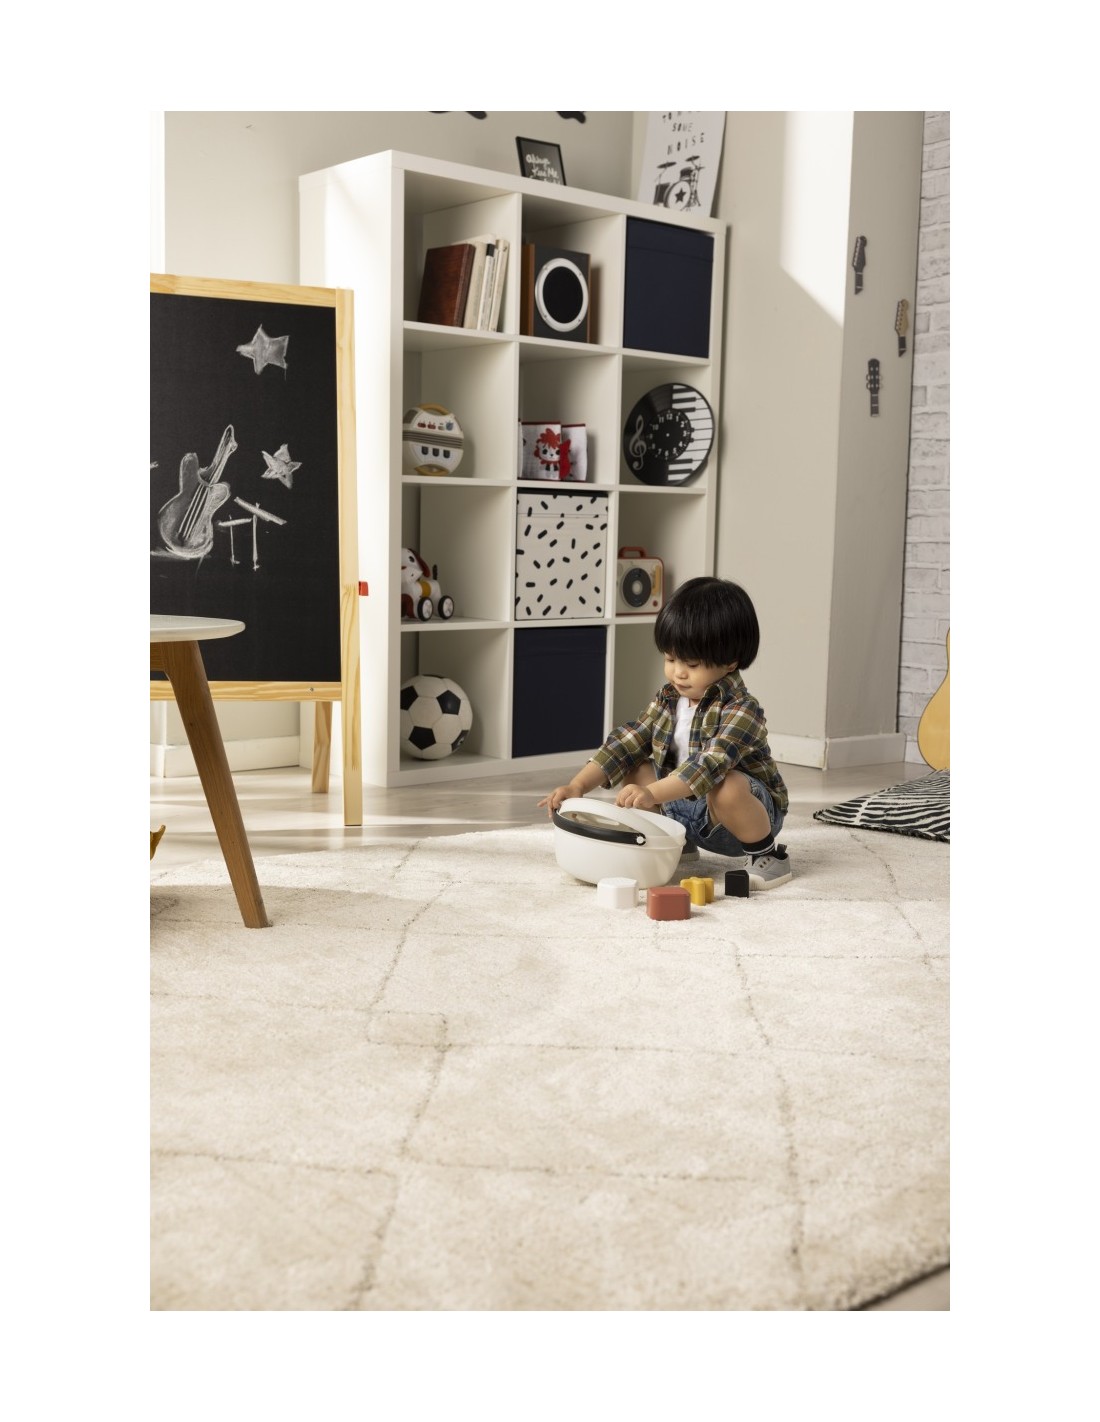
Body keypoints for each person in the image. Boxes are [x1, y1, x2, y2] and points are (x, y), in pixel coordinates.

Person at [538, 576, 791, 889]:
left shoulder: (742, 709)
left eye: (691, 664)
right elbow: (626, 742)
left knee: (726, 785)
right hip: (682, 808)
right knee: (634, 764)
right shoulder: (668, 699)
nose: (678, 672)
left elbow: (709, 765)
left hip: (737, 820)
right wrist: (578, 785)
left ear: (730, 662)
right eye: (671, 659)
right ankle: (675, 840)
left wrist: (652, 794)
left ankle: (767, 855)